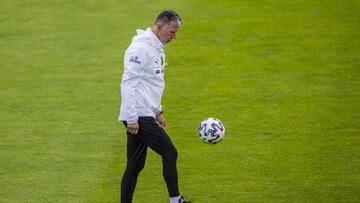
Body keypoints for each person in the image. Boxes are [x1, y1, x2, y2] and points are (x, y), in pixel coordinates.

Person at [119, 10, 191, 203]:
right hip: (138, 114)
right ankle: (176, 200)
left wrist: (158, 111)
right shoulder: (140, 49)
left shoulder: (157, 47)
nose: (173, 37)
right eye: (171, 32)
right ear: (159, 27)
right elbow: (129, 84)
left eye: (175, 33)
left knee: (134, 165)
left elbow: (151, 83)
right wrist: (132, 117)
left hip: (145, 113)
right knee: (170, 152)